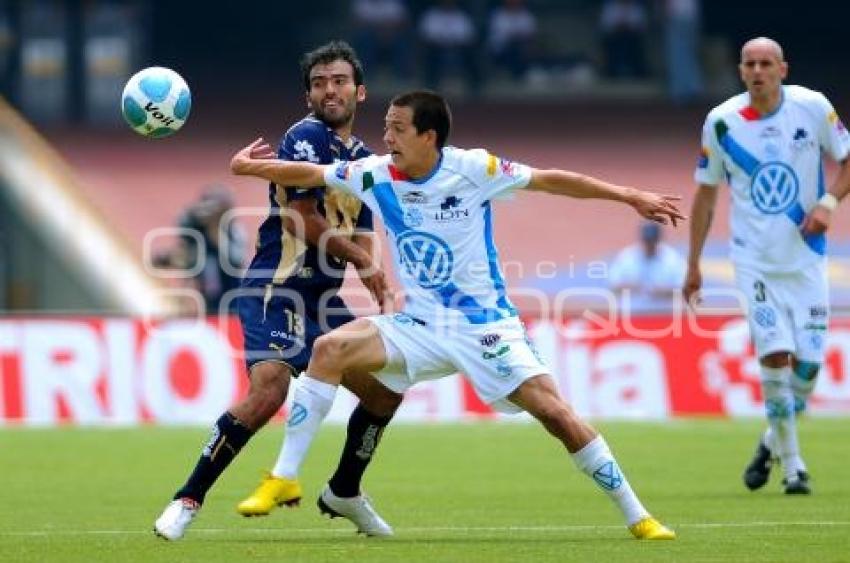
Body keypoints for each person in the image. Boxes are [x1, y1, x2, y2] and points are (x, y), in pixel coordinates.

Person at [230, 90, 683, 540]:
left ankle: (637, 515)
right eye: (386, 126)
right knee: (329, 349)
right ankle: (285, 475)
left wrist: (628, 195)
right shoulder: (373, 174)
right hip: (421, 326)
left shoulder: (474, 169)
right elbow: (310, 172)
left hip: (483, 325)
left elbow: (550, 180)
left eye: (398, 129)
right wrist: (248, 168)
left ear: (429, 137)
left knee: (555, 414)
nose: (386, 137)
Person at [154, 40, 403, 541]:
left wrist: (376, 274)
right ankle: (187, 498)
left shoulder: (364, 160)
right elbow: (301, 217)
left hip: (323, 300)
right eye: (318, 83)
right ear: (308, 95)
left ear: (360, 91)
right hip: (277, 288)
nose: (328, 90)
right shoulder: (305, 138)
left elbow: (361, 229)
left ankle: (345, 491)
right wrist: (360, 262)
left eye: (337, 81)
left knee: (384, 393)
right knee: (270, 391)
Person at [683, 37, 850, 495]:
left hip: (806, 259)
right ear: (741, 71)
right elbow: (705, 193)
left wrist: (830, 201)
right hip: (753, 261)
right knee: (775, 357)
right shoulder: (721, 123)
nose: (758, 71)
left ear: (783, 68)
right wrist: (694, 262)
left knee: (809, 367)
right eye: (750, 64)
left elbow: (847, 157)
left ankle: (768, 444)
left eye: (766, 63)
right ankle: (794, 466)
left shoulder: (812, 108)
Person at [609, 221, 686, 313]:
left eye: (652, 241)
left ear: (658, 240)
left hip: (663, 316)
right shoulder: (627, 257)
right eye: (647, 241)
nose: (649, 245)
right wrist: (633, 286)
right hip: (632, 315)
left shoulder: (672, 260)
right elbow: (614, 286)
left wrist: (663, 292)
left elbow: (683, 291)